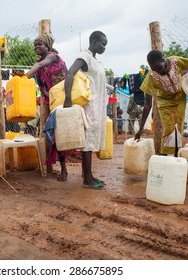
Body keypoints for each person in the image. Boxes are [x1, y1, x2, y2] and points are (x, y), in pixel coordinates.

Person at [14, 34, 69, 181]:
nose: (37, 47)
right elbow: (42, 86)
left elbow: (39, 65)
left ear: (48, 46)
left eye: (40, 44)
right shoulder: (39, 64)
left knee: (70, 132)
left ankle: (70, 169)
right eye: (35, 45)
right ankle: (64, 168)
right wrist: (50, 96)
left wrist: (25, 75)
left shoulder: (53, 57)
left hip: (67, 99)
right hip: (55, 102)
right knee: (57, 134)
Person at [134, 50, 188, 155]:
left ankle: (175, 155)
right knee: (169, 129)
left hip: (180, 99)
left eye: (159, 67)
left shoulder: (176, 61)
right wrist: (141, 128)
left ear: (163, 60)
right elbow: (148, 104)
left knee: (178, 128)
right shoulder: (152, 76)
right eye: (154, 69)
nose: (157, 71)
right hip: (165, 103)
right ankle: (165, 156)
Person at [64, 31, 108, 189]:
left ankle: (88, 175)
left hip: (97, 105)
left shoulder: (95, 61)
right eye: (103, 44)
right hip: (89, 105)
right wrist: (67, 98)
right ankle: (87, 180)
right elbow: (70, 73)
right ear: (94, 41)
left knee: (91, 139)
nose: (104, 47)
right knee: (88, 140)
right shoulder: (85, 56)